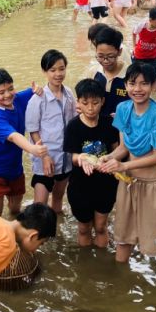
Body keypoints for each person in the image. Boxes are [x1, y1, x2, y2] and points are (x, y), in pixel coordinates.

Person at [99, 62, 156, 275]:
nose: (137, 89)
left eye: (144, 84)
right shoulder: (123, 109)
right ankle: (119, 286)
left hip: (152, 186)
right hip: (127, 183)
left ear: (153, 86)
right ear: (126, 84)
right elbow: (123, 147)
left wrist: (123, 165)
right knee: (123, 237)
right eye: (133, 83)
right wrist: (107, 158)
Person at [0, 68, 48, 216]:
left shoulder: (19, 99)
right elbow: (14, 136)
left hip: (14, 168)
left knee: (15, 210)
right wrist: (32, 148)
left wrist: (38, 89)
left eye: (10, 89)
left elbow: (36, 91)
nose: (8, 95)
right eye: (1, 92)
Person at [63, 79, 120, 247]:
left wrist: (110, 160)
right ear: (78, 102)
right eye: (85, 102)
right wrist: (81, 157)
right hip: (80, 186)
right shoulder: (73, 126)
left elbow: (117, 151)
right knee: (83, 228)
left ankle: (102, 268)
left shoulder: (109, 125)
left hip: (106, 184)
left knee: (101, 227)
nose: (90, 108)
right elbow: (72, 157)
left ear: (102, 101)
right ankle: (86, 266)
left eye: (95, 103)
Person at [25, 49, 77, 214]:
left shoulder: (69, 94)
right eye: (52, 70)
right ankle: (35, 235)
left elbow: (75, 121)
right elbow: (33, 131)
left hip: (65, 158)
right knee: (39, 207)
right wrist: (45, 156)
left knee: (58, 200)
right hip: (45, 160)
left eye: (61, 69)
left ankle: (55, 236)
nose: (58, 74)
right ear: (44, 72)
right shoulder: (38, 99)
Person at [83, 26, 130, 119]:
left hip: (123, 129)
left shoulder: (130, 75)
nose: (105, 61)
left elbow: (141, 105)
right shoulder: (93, 72)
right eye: (100, 56)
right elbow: (84, 98)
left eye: (110, 56)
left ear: (119, 52)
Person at [131, 7, 156, 79]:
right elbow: (134, 33)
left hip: (152, 57)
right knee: (136, 76)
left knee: (155, 77)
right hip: (139, 56)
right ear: (150, 20)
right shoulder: (142, 25)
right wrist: (134, 47)